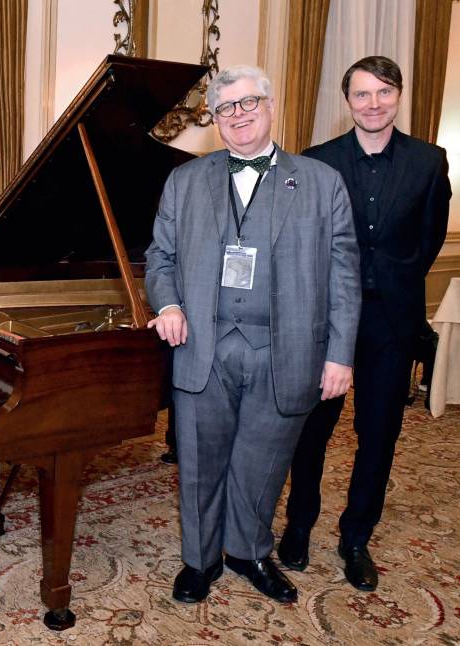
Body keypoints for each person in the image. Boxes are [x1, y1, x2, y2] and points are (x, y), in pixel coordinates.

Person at [145, 65, 361, 604]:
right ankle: (199, 561)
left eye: (248, 104)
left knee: (264, 464)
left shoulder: (320, 182)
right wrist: (167, 303)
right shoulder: (185, 180)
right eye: (225, 109)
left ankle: (248, 552)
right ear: (214, 120)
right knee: (198, 461)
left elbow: (344, 276)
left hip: (287, 351)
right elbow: (159, 259)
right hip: (203, 349)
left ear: (270, 106)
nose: (238, 116)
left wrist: (339, 356)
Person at [278, 56, 451, 591]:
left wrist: (393, 282)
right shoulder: (317, 163)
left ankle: (356, 538)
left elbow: (430, 240)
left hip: (392, 325)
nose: (373, 103)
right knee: (311, 433)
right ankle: (299, 525)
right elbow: (303, 242)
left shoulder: (429, 161)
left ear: (399, 95)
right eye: (362, 94)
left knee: (379, 436)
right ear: (346, 100)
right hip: (328, 321)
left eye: (384, 92)